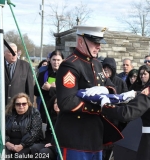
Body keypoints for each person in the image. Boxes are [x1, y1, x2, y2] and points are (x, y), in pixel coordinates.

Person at [54, 26, 123, 160]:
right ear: (81, 41)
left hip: (95, 137)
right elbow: (67, 102)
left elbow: (112, 87)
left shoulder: (97, 63)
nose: (99, 47)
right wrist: (99, 103)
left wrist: (105, 90)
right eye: (95, 43)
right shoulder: (69, 65)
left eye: (99, 43)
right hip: (75, 137)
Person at [5, 93, 44, 160]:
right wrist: (7, 142)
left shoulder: (34, 113)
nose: (21, 106)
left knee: (18, 158)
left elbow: (34, 132)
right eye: (18, 104)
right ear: (14, 105)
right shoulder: (8, 114)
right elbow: (1, 130)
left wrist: (22, 145)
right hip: (9, 144)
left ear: (28, 104)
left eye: (24, 103)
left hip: (28, 145)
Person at [34, 50, 64, 123]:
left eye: (58, 60)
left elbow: (65, 93)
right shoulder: (43, 74)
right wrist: (43, 88)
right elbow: (35, 92)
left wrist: (51, 89)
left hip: (59, 111)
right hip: (45, 109)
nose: (56, 62)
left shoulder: (66, 75)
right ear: (49, 60)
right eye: (53, 59)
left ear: (62, 60)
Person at [30, 95, 59, 160]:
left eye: (59, 102)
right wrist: (49, 143)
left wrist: (53, 144)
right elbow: (48, 134)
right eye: (55, 103)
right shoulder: (50, 118)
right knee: (35, 147)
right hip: (48, 143)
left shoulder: (66, 119)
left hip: (59, 146)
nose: (57, 105)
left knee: (44, 153)